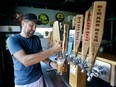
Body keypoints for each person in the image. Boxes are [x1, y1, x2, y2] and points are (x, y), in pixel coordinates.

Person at [6, 13, 62, 87]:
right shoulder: (12, 40)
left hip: (39, 78)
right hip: (24, 83)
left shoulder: (36, 38)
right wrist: (52, 50)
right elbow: (25, 61)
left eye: (36, 26)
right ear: (23, 24)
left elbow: (42, 56)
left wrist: (51, 63)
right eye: (31, 25)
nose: (34, 29)